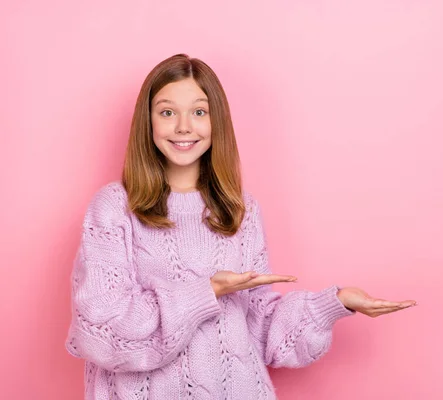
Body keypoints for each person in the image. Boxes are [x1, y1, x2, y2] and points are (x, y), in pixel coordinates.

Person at [64, 53, 417, 400]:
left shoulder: (240, 210)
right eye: (168, 112)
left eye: (199, 112)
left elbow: (261, 330)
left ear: (217, 121)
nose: (184, 126)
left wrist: (334, 303)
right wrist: (205, 292)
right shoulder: (114, 208)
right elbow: (102, 333)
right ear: (148, 122)